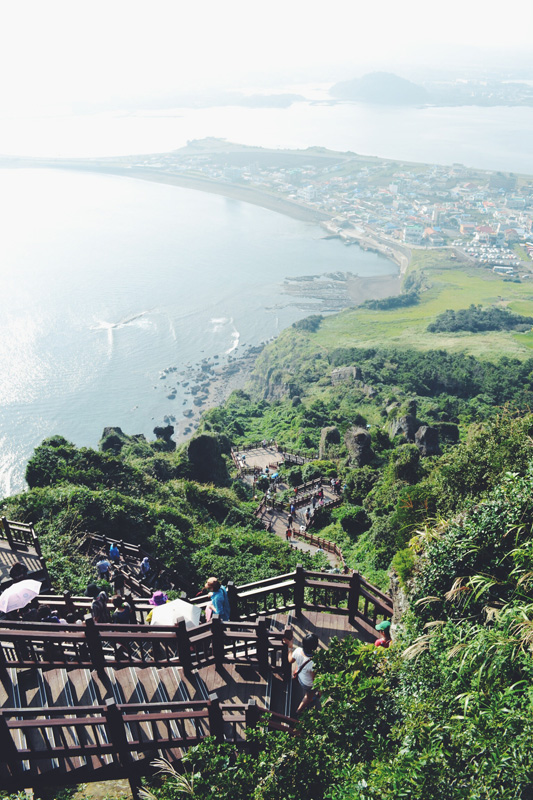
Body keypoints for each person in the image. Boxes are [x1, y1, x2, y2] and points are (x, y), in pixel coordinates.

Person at [288, 633, 319, 713]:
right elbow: (314, 679)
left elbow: (290, 660)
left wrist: (290, 647)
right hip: (308, 684)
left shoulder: (298, 650)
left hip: (299, 678)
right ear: (315, 647)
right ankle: (299, 711)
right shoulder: (314, 662)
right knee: (308, 697)